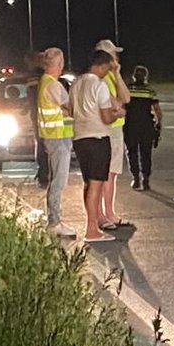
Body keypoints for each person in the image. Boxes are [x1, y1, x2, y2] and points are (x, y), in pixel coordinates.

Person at [69, 50, 119, 244]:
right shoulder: (99, 85)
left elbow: (71, 110)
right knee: (96, 185)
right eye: (107, 68)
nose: (107, 72)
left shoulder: (76, 84)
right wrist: (117, 114)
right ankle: (92, 229)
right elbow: (106, 117)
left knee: (88, 184)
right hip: (97, 137)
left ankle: (92, 224)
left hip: (79, 138)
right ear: (101, 66)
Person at [35, 47, 77, 238]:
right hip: (58, 137)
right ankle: (54, 222)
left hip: (52, 136)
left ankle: (55, 220)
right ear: (59, 64)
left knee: (57, 178)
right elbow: (70, 108)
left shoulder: (44, 82)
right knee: (58, 180)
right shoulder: (54, 85)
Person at [93, 38, 131, 230]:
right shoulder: (102, 78)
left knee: (111, 173)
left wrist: (117, 73)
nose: (117, 58)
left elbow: (125, 98)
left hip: (114, 128)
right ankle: (103, 214)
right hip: (108, 128)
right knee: (106, 173)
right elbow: (119, 103)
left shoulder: (110, 76)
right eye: (114, 54)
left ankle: (108, 212)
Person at [123, 64, 161, 191]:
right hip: (146, 125)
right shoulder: (149, 91)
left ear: (134, 76)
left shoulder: (128, 89)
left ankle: (136, 179)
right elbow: (157, 110)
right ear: (146, 77)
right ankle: (146, 180)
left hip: (130, 125)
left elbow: (122, 106)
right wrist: (159, 124)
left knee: (132, 152)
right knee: (146, 153)